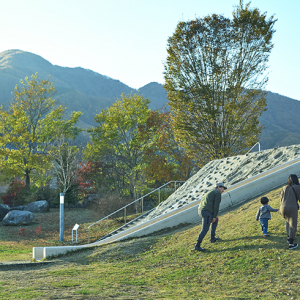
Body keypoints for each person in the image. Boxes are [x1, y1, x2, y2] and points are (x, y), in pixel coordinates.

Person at [194, 182, 227, 251]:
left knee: (216, 220)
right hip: (206, 212)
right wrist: (214, 216)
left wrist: (215, 216)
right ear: (218, 187)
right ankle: (197, 245)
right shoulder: (217, 193)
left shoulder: (211, 191)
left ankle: (212, 238)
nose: (223, 191)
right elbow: (216, 205)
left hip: (202, 210)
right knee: (205, 229)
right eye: (222, 188)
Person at [280, 174, 300, 250]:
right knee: (293, 224)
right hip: (292, 208)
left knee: (287, 222)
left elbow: (281, 198)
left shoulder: (284, 187)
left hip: (282, 207)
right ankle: (291, 244)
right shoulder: (298, 187)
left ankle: (288, 237)